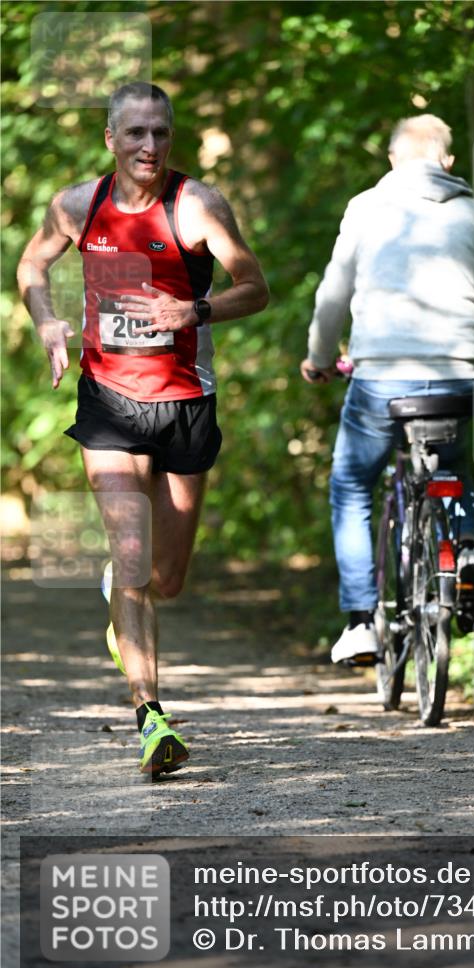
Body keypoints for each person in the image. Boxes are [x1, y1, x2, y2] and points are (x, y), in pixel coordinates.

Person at [18, 82, 269, 774]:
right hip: (109, 403)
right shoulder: (77, 205)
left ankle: (121, 590)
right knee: (132, 559)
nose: (149, 146)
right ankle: (150, 717)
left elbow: (256, 285)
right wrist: (46, 320)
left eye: (160, 133)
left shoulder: (197, 206)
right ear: (111, 139)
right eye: (135, 133)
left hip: (187, 402)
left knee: (168, 577)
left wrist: (197, 311)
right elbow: (32, 263)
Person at [300, 114, 474, 664]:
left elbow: (331, 298)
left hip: (381, 380)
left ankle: (359, 623)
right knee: (451, 467)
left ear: (393, 160)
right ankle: (465, 552)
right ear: (448, 161)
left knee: (351, 485)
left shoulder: (366, 209)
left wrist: (320, 358)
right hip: (458, 377)